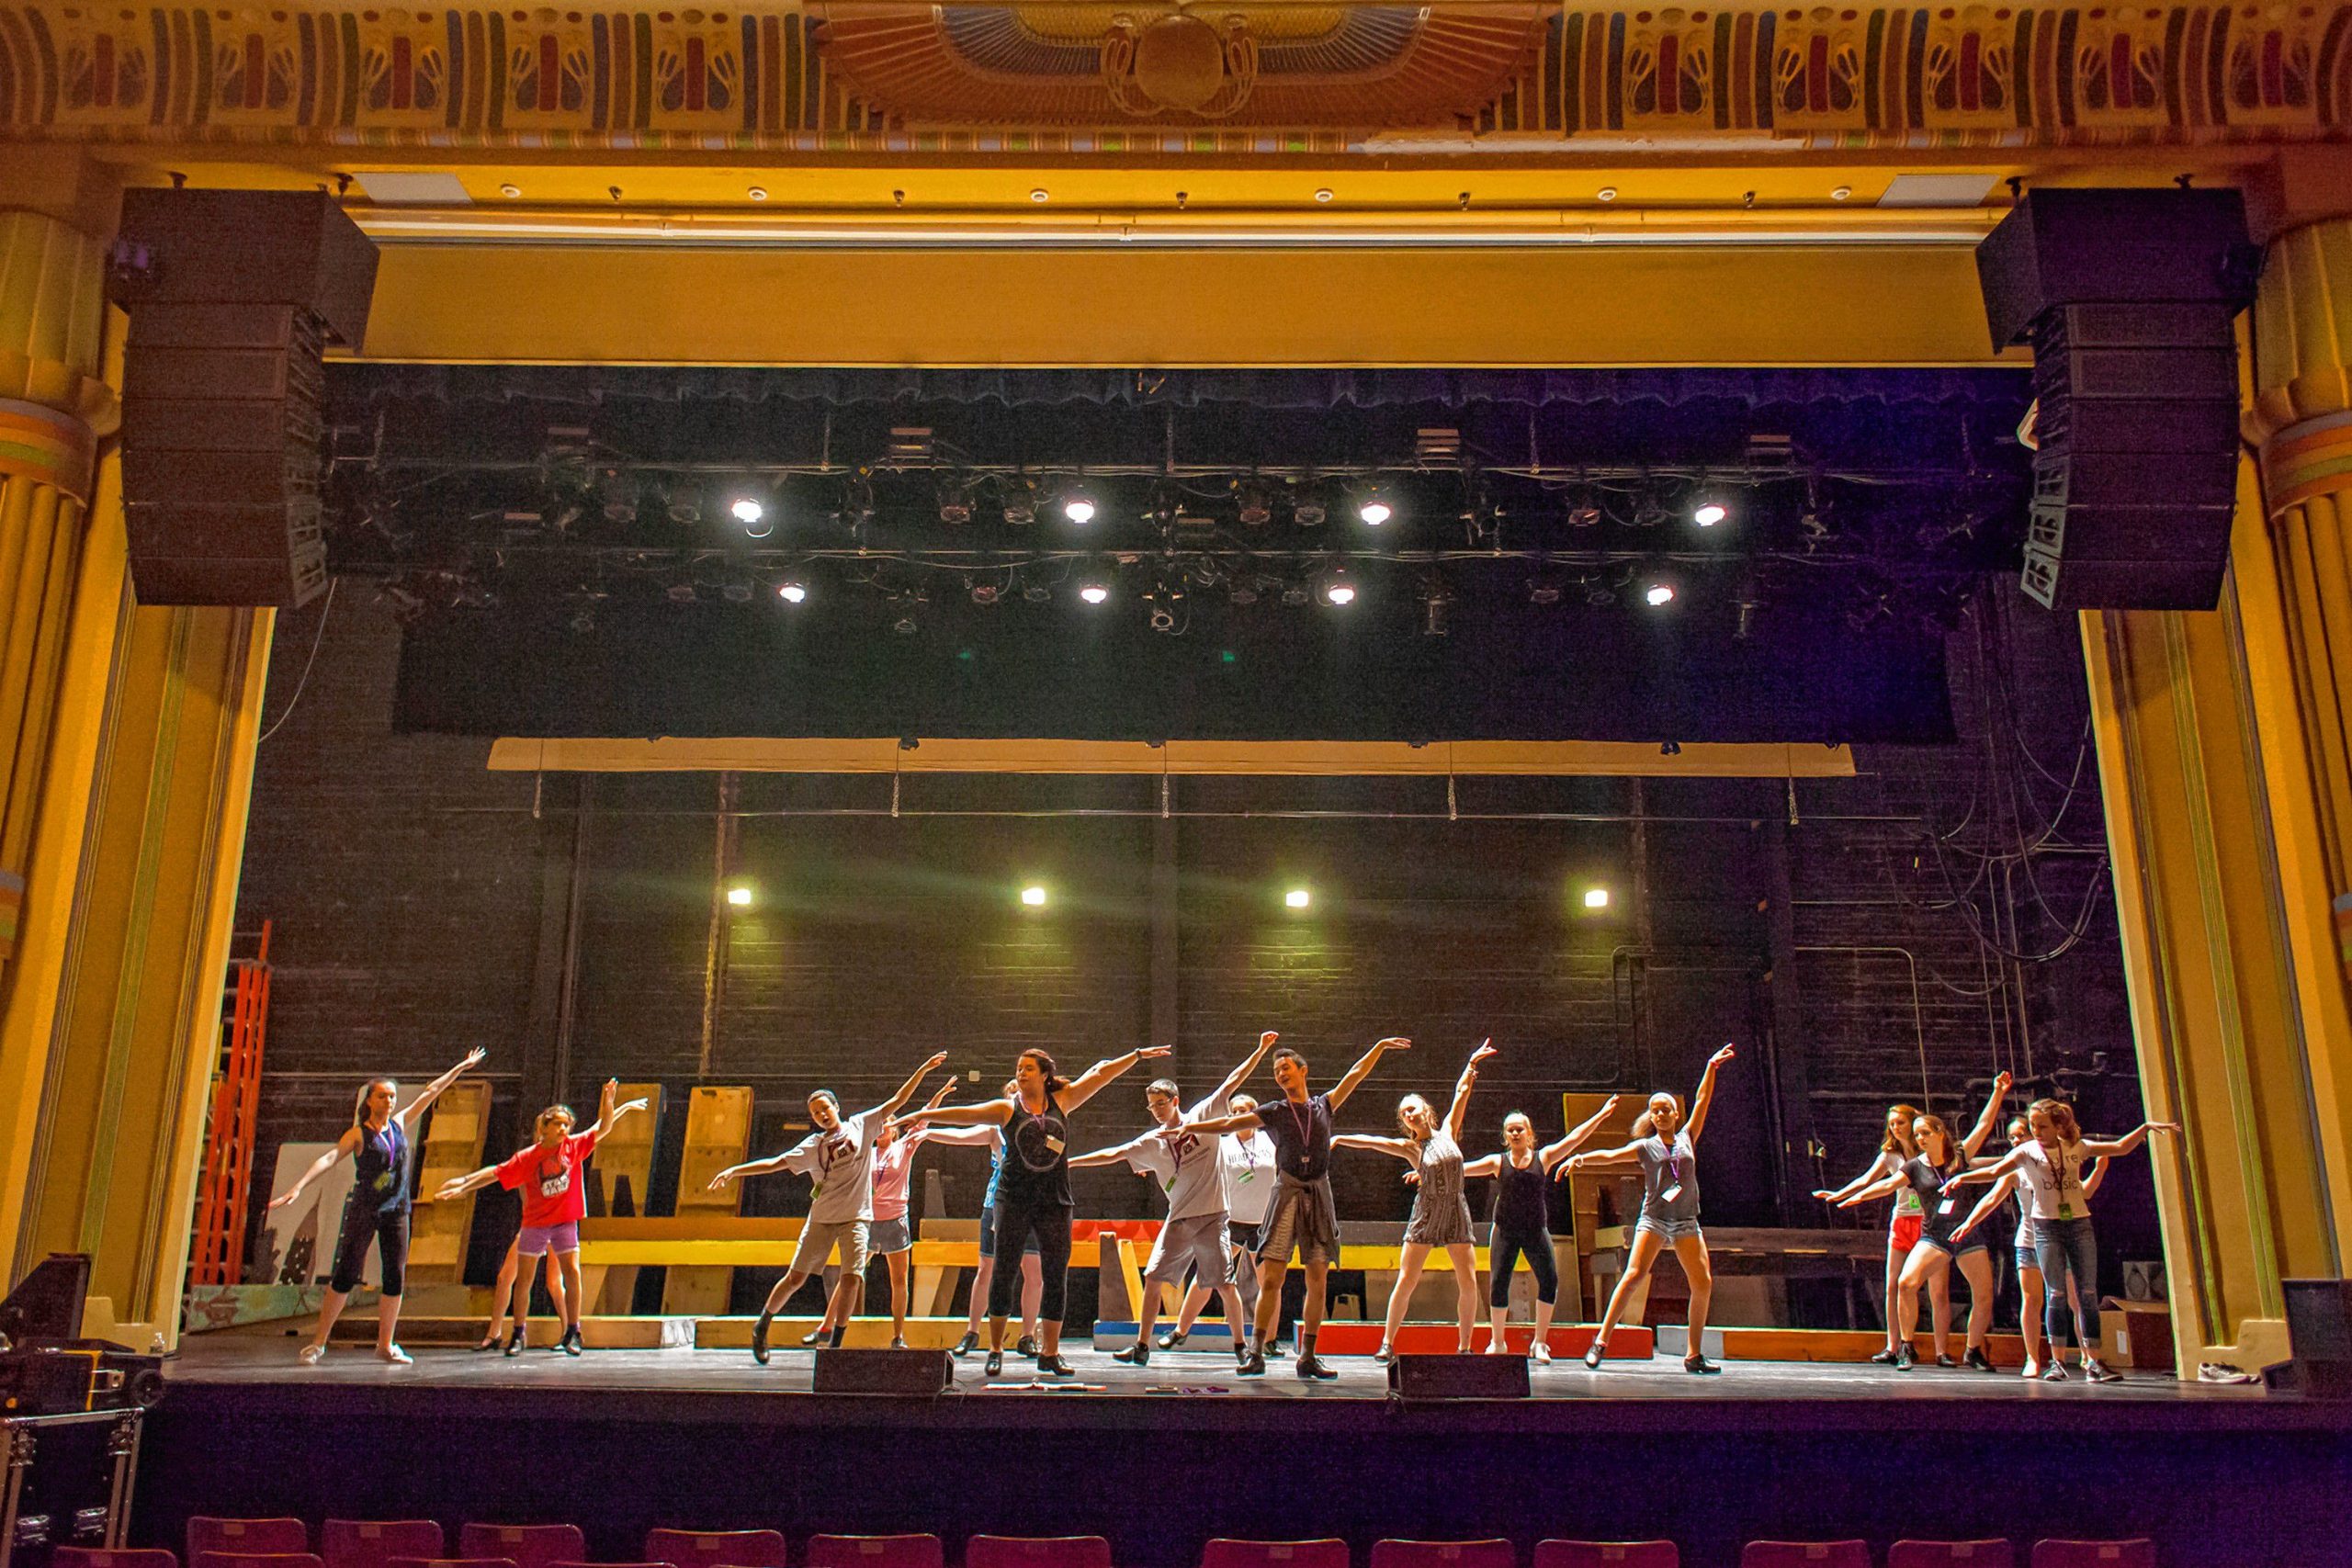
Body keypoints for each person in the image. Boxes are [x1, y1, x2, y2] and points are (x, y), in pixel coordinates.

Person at [899, 1044, 1172, 1376]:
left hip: (1054, 1201)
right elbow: (966, 1113)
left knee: (1055, 1276)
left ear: (1045, 1075)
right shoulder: (1006, 1108)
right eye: (1019, 1068)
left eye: (1029, 1068)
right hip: (1013, 1199)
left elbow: (1101, 1074)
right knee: (1003, 1272)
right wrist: (922, 1116)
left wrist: (1137, 1056)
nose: (1021, 1072)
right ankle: (996, 1348)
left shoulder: (1064, 1100)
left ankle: (1051, 1352)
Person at [1182, 1035, 1413, 1379]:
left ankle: (1308, 1355)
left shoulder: (1324, 1105)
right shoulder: (1274, 1111)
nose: (1280, 1075)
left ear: (1303, 1070)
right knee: (1272, 1277)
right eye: (1276, 1072)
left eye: (1285, 1068)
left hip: (1319, 1195)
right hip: (1286, 1193)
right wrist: (1188, 1127)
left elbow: (1355, 1074)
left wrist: (1377, 1046)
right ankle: (1257, 1351)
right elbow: (1231, 1124)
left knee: (1317, 1278)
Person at [708, 1051, 951, 1363]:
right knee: (796, 1277)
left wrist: (923, 1069)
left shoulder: (861, 1125)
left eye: (825, 1108)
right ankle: (762, 1324)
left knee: (852, 1277)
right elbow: (776, 1163)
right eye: (815, 1113)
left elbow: (898, 1100)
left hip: (857, 1218)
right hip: (822, 1218)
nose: (821, 1114)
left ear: (836, 1107)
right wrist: (734, 1170)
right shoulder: (813, 1146)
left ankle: (835, 1344)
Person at [269, 1047, 486, 1366]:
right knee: (345, 1274)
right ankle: (318, 1343)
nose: (389, 1102)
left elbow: (431, 1091)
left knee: (394, 1275)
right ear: (369, 1101)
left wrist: (461, 1067)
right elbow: (331, 1157)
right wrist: (299, 1186)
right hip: (365, 1210)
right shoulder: (359, 1134)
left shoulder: (399, 1124)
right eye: (383, 1097)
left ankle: (385, 1345)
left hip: (396, 1211)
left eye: (392, 1097)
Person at [1069, 1037, 1272, 1368]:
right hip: (1178, 1219)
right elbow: (1115, 1153)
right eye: (1151, 1106)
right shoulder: (1154, 1142)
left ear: (1174, 1100)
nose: (1156, 1110)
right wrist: (1071, 1163)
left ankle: (1240, 1346)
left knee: (1223, 1283)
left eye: (1161, 1104)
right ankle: (1142, 1346)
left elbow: (1232, 1081)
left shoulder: (1202, 1116)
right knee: (1154, 1276)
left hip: (1211, 1216)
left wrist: (1260, 1051)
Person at [1951, 1097, 2177, 1383]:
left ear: (2058, 1125)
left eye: (2041, 1126)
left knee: (2087, 1295)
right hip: (2044, 1230)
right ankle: (2055, 1362)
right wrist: (1962, 1179)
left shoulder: (2075, 1146)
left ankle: (2093, 1361)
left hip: (2077, 1224)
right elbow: (1995, 1173)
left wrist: (2144, 1128)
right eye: (2032, 1126)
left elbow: (2119, 1147)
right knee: (2054, 1295)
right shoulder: (2027, 1152)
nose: (2036, 1132)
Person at [435, 1078, 652, 1356]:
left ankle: (573, 1331)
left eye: (566, 1124)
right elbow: (495, 1172)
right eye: (557, 1124)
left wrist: (611, 1103)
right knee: (522, 1279)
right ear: (544, 1128)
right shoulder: (529, 1157)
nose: (563, 1129)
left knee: (570, 1275)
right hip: (536, 1224)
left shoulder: (573, 1147)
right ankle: (517, 1332)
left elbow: (602, 1128)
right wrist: (463, 1183)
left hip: (564, 1221)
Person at [1564, 1043, 1738, 1375]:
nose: (1660, 1115)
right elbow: (1612, 1155)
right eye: (1654, 1111)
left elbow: (1702, 1100)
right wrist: (1581, 1158)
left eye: (1665, 1110)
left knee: (1702, 1283)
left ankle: (1693, 1354)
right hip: (1655, 1219)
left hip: (1686, 1220)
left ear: (1675, 1114)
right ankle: (1600, 1341)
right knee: (1633, 1275)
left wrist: (1711, 1067)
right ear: (1651, 1116)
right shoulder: (1645, 1147)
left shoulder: (1688, 1136)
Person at [801, 1082, 998, 1348]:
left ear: (894, 1129)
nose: (882, 1129)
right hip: (867, 1219)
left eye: (888, 1125)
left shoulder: (905, 1146)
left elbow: (924, 1118)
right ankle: (826, 1326)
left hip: (895, 1221)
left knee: (898, 1280)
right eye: (879, 1126)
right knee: (851, 1276)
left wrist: (938, 1094)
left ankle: (898, 1335)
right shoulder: (863, 1151)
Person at [1336, 1041, 1498, 1361]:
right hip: (1426, 1212)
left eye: (1412, 1108)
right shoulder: (1411, 1149)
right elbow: (1374, 1143)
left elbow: (1462, 1092)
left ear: (1426, 1110)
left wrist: (1471, 1063)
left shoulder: (1449, 1131)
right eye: (1403, 1114)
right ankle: (1386, 1342)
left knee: (1468, 1280)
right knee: (1407, 1279)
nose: (1409, 1115)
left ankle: (1465, 1346)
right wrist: (1340, 1138)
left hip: (1455, 1210)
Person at [1838, 1097, 2009, 1371]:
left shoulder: (1960, 1155)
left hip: (1967, 1233)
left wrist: (1998, 1092)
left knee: (1984, 1292)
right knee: (1906, 1283)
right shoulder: (1915, 1166)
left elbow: (1984, 1124)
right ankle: (1906, 1346)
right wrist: (1856, 1197)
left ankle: (1973, 1350)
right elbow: (1888, 1185)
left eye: (1925, 1133)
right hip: (1935, 1236)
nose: (1920, 1139)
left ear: (1940, 1132)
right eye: (1917, 1135)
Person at [1460, 1094, 1620, 1363]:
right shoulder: (1497, 1162)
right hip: (1506, 1231)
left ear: (1529, 1132)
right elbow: (1460, 1169)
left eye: (1519, 1128)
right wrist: (1428, 1172)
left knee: (1549, 1281)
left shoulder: (1543, 1157)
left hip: (1535, 1230)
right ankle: (1497, 1342)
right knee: (1499, 1284)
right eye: (1509, 1130)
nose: (1514, 1133)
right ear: (1505, 1135)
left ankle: (1540, 1342)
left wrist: (1602, 1115)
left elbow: (1574, 1139)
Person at [1964, 1114, 2109, 1378]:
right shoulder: (2016, 1169)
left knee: (2074, 1300)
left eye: (2021, 1134)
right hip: (2030, 1242)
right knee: (2032, 1300)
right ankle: (2032, 1358)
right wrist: (1968, 1223)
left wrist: (2100, 1168)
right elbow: (1991, 1199)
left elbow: (2084, 1192)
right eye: (2012, 1137)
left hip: (2061, 1240)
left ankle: (2089, 1357)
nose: (2017, 1140)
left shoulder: (2057, 1161)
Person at [1163, 1036, 1282, 1354]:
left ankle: (1268, 1340)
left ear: (1256, 1114)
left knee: (1269, 1282)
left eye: (1247, 1109)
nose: (1241, 1113)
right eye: (1236, 1109)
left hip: (1263, 1223)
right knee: (1208, 1277)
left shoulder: (1272, 1143)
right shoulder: (1220, 1144)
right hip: (1229, 1221)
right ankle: (1180, 1331)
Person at [1813, 1101, 1931, 1367]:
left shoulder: (1927, 1151)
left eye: (1900, 1123)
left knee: (1933, 1288)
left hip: (1926, 1222)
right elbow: (1867, 1180)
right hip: (1902, 1220)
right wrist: (1838, 1194)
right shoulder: (1890, 1155)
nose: (1895, 1128)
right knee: (1892, 1285)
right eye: (1891, 1124)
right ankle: (1893, 1345)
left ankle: (1940, 1348)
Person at [950, 1084, 1046, 1360]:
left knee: (1034, 1273)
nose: (1019, 1098)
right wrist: (928, 1131)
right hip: (998, 1207)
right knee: (987, 1270)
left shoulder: (1044, 1127)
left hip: (1033, 1208)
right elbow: (961, 1135)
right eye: (1013, 1094)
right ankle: (972, 1331)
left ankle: (1028, 1336)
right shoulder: (996, 1131)